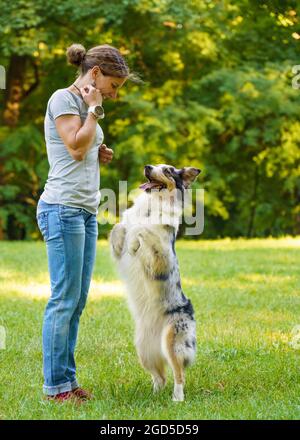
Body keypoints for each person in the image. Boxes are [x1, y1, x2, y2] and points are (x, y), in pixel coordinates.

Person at [36, 43, 139, 402]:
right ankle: (55, 388)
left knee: (76, 300)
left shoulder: (88, 107)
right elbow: (74, 148)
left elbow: (85, 150)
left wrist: (101, 152)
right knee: (63, 299)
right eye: (113, 85)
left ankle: (67, 381)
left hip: (84, 211)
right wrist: (93, 115)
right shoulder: (63, 100)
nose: (113, 93)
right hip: (61, 208)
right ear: (94, 74)